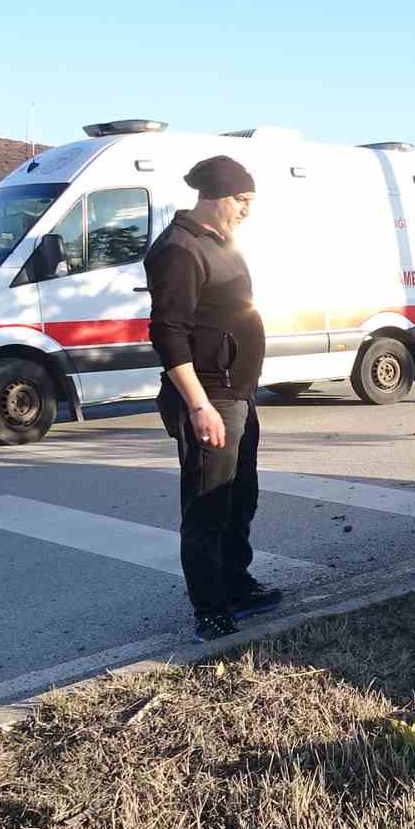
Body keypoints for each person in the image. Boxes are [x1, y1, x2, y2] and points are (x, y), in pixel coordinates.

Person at [148, 155, 278, 642]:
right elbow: (168, 332)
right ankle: (210, 606)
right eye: (242, 200)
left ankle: (237, 583)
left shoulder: (220, 241)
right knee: (207, 504)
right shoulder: (180, 249)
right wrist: (199, 405)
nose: (247, 210)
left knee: (239, 496)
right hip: (210, 395)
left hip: (237, 392)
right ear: (215, 196)